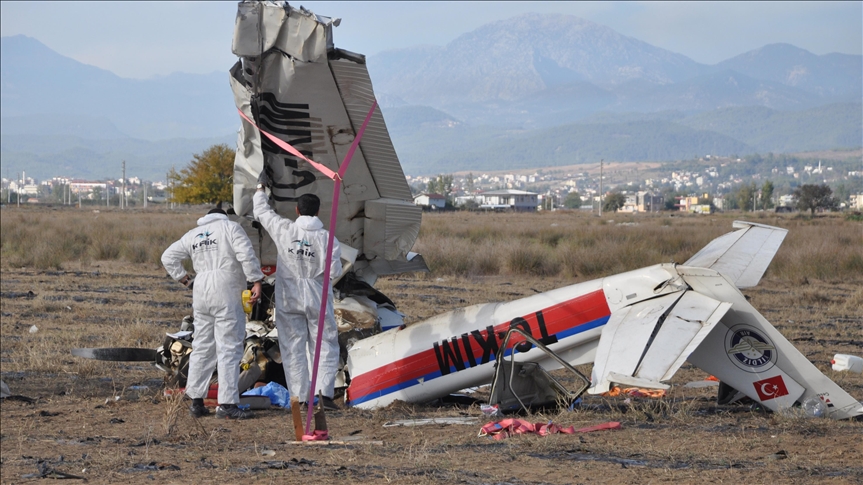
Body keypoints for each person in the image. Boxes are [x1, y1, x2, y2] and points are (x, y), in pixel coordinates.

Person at [161, 204, 265, 420]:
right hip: (226, 287)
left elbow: (168, 257)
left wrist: (185, 279)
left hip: (201, 290)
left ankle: (196, 402)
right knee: (229, 346)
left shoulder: (193, 235)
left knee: (202, 345)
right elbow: (246, 255)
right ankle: (227, 404)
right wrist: (255, 279)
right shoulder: (232, 229)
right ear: (224, 216)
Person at [253, 180, 341, 410]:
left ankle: (301, 399)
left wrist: (260, 190)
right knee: (323, 344)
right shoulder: (327, 238)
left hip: (289, 295)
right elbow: (334, 272)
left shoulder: (285, 229)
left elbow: (262, 212)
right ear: (318, 211)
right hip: (317, 295)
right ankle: (325, 396)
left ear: (297, 211)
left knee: (293, 346)